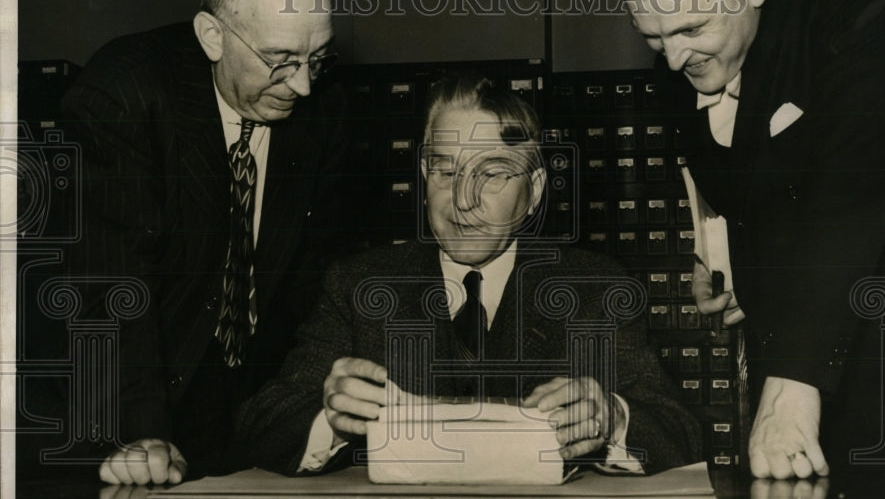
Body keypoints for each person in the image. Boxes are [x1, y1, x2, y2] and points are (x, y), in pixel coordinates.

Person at [236, 76, 702, 476]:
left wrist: (611, 418)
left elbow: (681, 436)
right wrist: (329, 419)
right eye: (445, 170)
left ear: (534, 190)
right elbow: (258, 428)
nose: (462, 200)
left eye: (492, 173)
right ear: (423, 173)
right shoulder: (359, 286)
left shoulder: (595, 290)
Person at [612, 0, 885, 479]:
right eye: (653, 37)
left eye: (692, 28)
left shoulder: (854, 11)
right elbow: (722, 181)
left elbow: (850, 197)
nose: (672, 60)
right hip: (788, 356)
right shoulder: (681, 64)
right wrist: (715, 255)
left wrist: (795, 381)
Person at [61, 0, 348, 484]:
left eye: (318, 58)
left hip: (237, 419)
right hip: (117, 408)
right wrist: (142, 434)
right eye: (281, 60)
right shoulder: (125, 92)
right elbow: (112, 285)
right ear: (212, 36)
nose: (305, 86)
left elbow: (306, 287)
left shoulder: (326, 112)